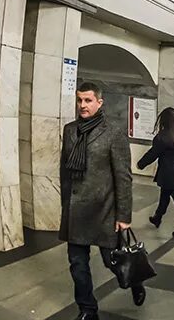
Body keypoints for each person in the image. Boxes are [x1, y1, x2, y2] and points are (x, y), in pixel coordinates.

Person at [60, 82, 138, 318]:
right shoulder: (70, 130)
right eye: (80, 100)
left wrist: (124, 215)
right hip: (75, 210)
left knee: (111, 261)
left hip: (104, 209)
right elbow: (64, 169)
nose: (82, 105)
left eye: (88, 101)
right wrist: (65, 203)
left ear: (99, 102)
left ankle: (135, 280)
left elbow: (123, 177)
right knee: (77, 264)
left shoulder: (113, 132)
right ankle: (87, 309)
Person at [137, 107, 174, 240]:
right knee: (165, 193)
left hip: (168, 171)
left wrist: (141, 164)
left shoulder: (163, 136)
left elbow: (153, 153)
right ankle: (158, 217)